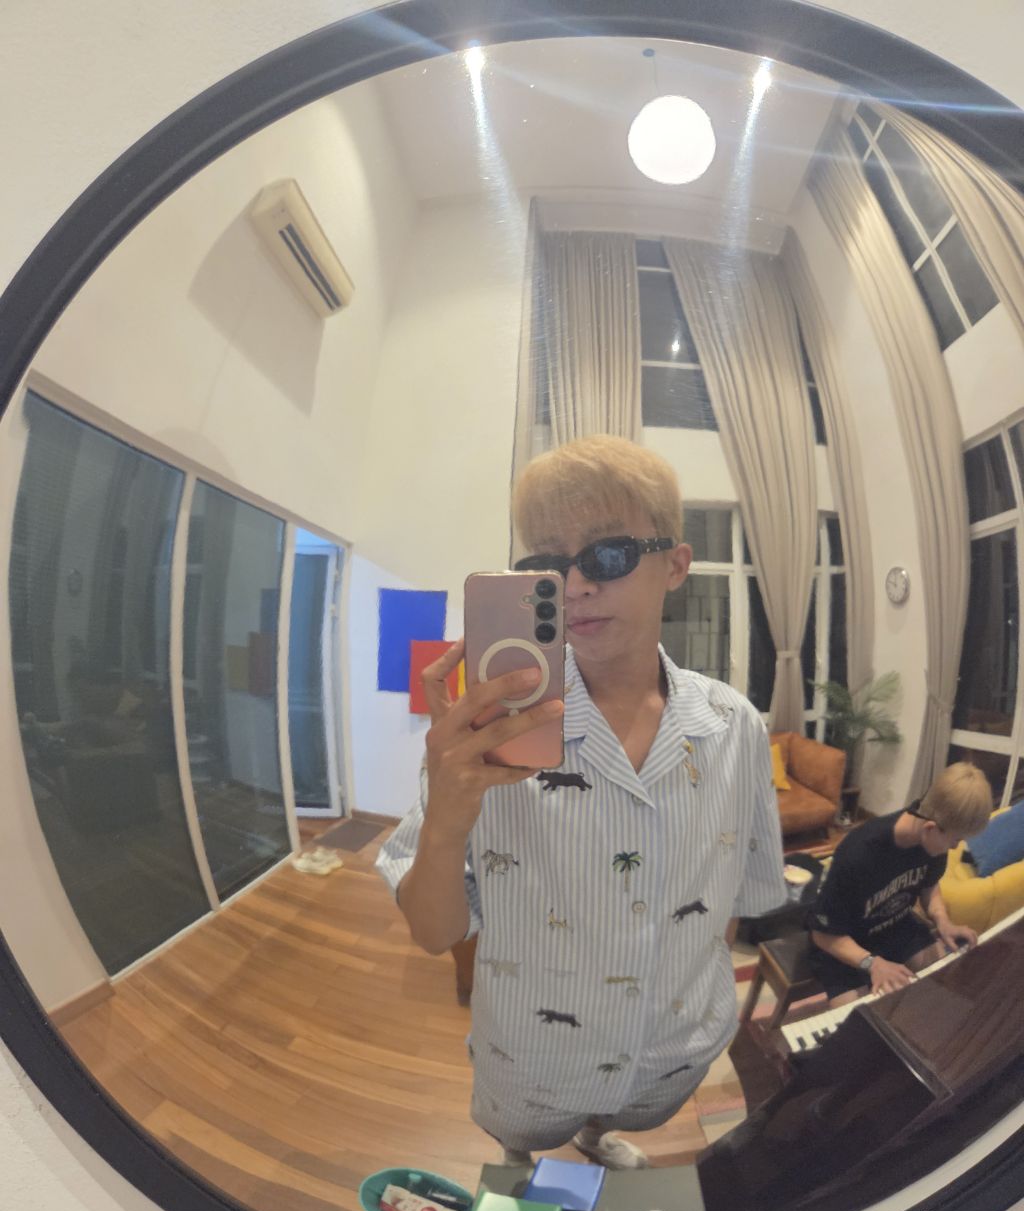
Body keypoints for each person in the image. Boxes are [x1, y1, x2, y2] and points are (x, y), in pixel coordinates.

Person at [376, 436, 787, 1169]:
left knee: (627, 1115)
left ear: (675, 565)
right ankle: (522, 1159)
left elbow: (733, 896)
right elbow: (434, 934)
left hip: (672, 1042)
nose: (573, 586)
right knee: (521, 1143)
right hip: (532, 1052)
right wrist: (444, 819)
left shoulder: (733, 727)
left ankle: (596, 1139)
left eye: (607, 554)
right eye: (546, 563)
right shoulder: (486, 734)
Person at [807, 762, 993, 1005]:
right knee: (860, 1018)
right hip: (845, 942)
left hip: (896, 927)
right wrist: (873, 963)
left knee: (940, 979)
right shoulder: (858, 853)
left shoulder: (932, 840)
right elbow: (822, 935)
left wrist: (943, 921)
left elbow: (929, 887)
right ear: (930, 828)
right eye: (955, 840)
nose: (955, 847)